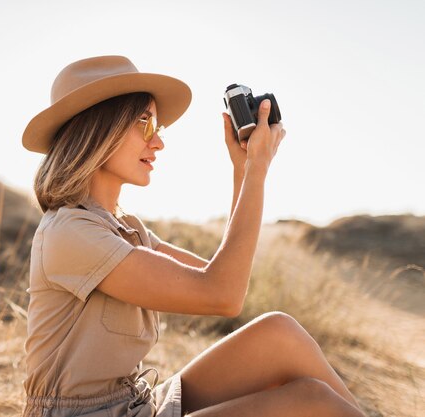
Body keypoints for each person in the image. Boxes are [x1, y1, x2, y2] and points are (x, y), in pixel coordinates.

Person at [20, 55, 366, 417]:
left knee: (281, 333)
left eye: (158, 126)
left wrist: (244, 171)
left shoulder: (125, 228)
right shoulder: (69, 232)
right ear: (97, 129)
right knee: (311, 402)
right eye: (144, 123)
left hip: (133, 405)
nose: (158, 143)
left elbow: (223, 278)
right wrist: (257, 172)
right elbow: (222, 296)